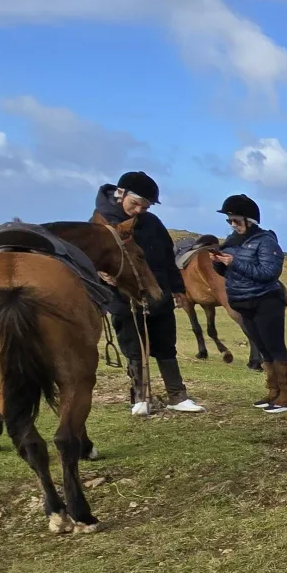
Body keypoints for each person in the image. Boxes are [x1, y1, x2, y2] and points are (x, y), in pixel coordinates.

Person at [94, 172, 204, 414]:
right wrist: (102, 275)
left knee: (166, 345)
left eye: (145, 206)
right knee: (135, 348)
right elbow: (90, 259)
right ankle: (140, 397)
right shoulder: (99, 223)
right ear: (120, 193)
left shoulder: (152, 222)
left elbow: (167, 256)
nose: (139, 211)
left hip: (159, 295)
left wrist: (176, 288)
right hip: (124, 299)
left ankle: (177, 396)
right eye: (135, 204)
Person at [211, 194, 287, 414]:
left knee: (275, 347)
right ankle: (273, 392)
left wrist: (235, 262)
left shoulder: (266, 242)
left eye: (236, 220)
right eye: (229, 220)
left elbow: (269, 273)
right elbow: (228, 272)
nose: (232, 225)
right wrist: (218, 265)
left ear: (250, 220)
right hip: (242, 302)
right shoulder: (231, 242)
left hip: (266, 301)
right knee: (262, 348)